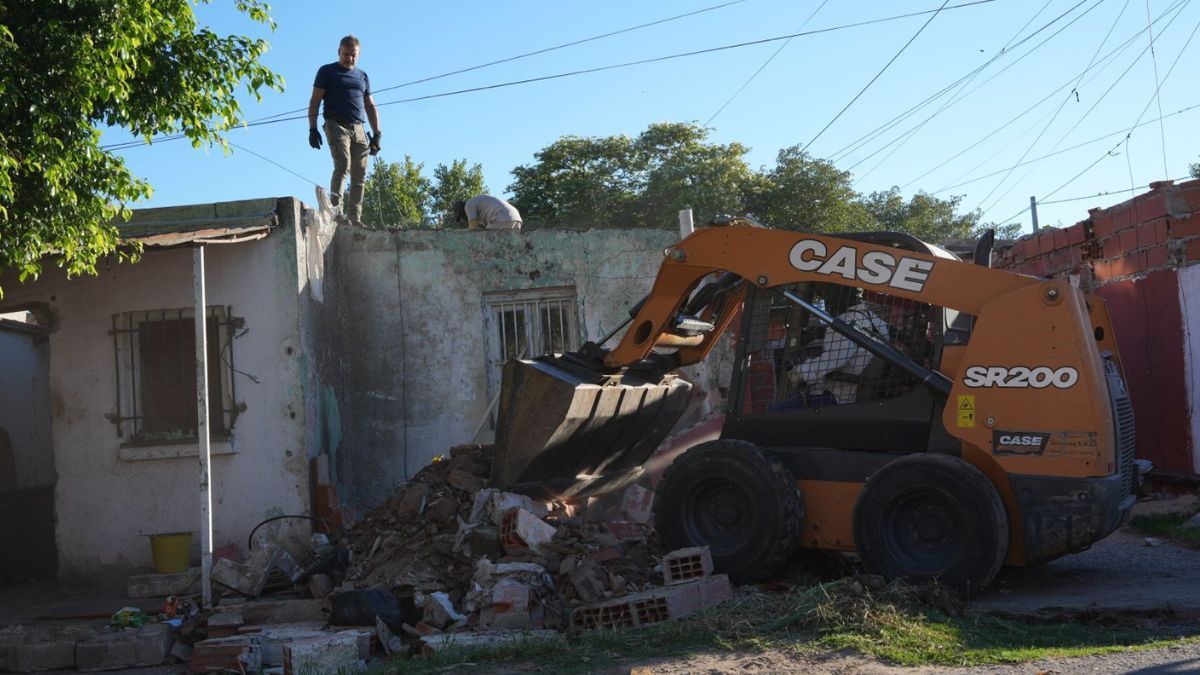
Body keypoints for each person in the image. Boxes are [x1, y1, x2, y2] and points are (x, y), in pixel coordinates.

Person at [308, 35, 381, 226]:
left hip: (359, 127)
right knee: (343, 164)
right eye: (346, 54)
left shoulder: (362, 75)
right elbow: (315, 101)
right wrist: (312, 128)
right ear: (339, 52)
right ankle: (336, 213)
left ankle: (355, 218)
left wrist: (377, 134)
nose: (349, 58)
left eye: (353, 55)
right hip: (336, 124)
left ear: (358, 54)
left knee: (360, 173)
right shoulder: (327, 71)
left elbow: (370, 105)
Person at [782, 287, 890, 407]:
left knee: (776, 411)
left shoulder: (844, 322)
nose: (828, 306)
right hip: (858, 394)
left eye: (828, 299)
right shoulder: (875, 320)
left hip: (837, 397)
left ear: (838, 299)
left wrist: (799, 373)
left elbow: (834, 359)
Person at [454, 196, 523, 230]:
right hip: (517, 219)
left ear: (461, 209)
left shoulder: (468, 205)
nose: (464, 218)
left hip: (501, 217)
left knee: (486, 242)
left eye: (461, 215)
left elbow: (473, 229)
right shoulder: (480, 204)